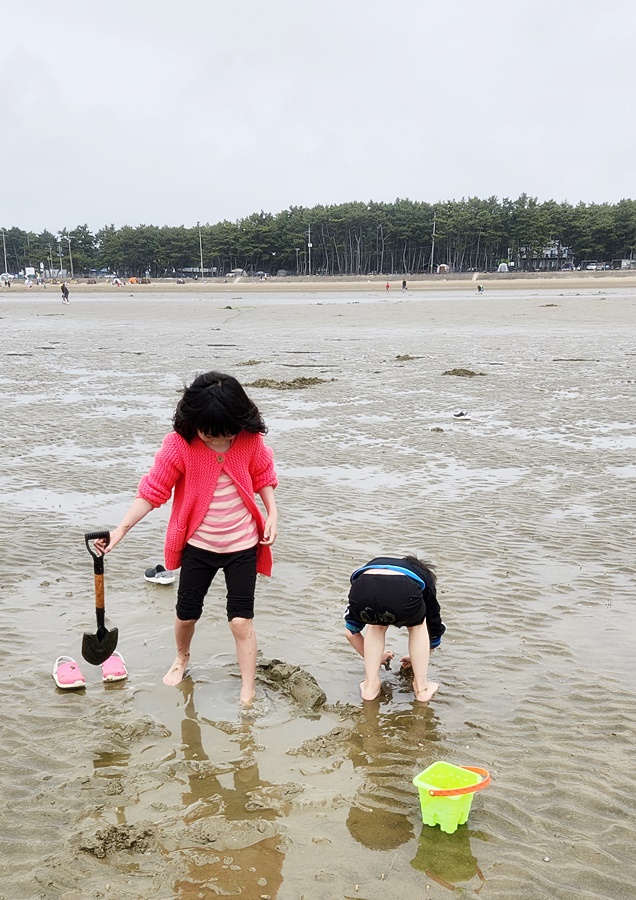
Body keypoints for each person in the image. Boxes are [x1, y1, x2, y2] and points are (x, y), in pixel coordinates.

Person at [94, 371, 278, 703]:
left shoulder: (250, 439)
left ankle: (247, 690)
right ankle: (182, 657)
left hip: (243, 545)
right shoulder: (179, 445)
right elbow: (153, 491)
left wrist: (273, 514)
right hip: (198, 547)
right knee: (186, 614)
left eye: (226, 434)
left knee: (241, 620)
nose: (219, 442)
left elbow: (263, 474)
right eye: (209, 435)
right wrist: (120, 529)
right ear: (193, 421)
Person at [343, 554, 445, 702]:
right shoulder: (425, 578)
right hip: (403, 589)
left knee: (376, 624)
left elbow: (351, 632)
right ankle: (421, 689)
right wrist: (421, 655)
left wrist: (375, 657)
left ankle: (370, 687)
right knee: (418, 625)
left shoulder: (375, 565)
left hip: (363, 585)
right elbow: (434, 624)